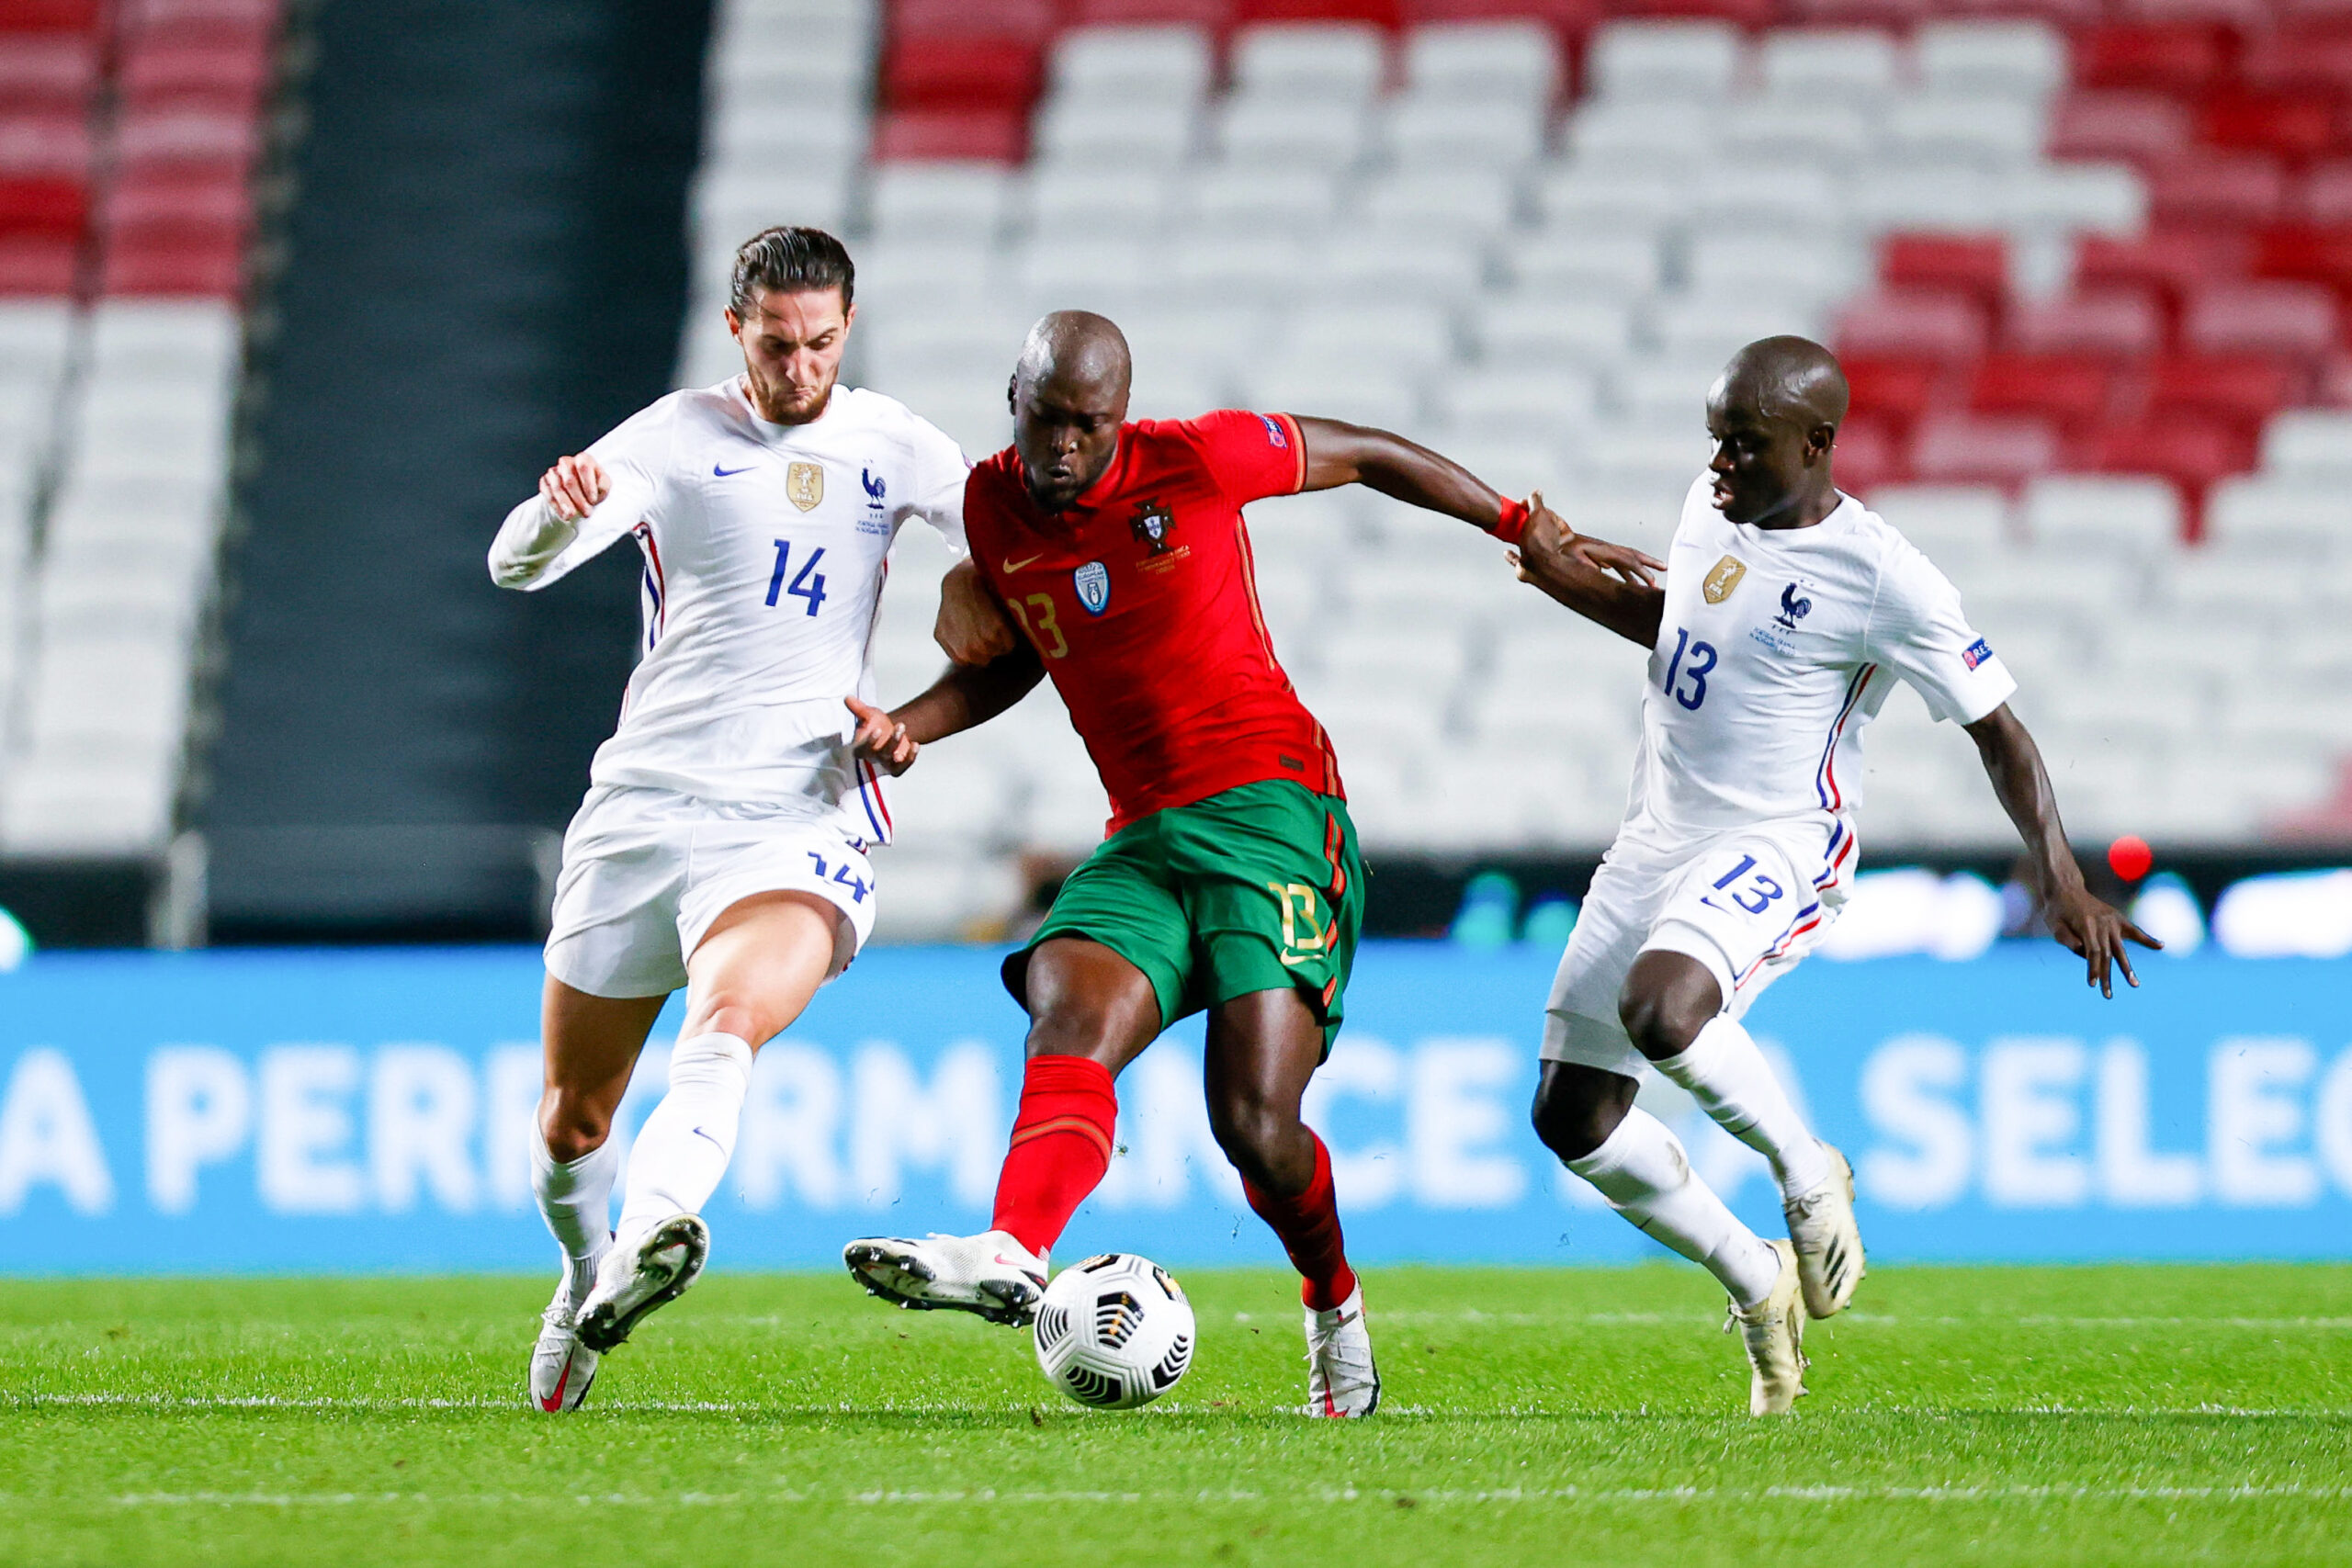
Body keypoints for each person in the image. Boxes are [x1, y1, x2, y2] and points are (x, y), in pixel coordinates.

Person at [836, 310, 1657, 1417]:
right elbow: (1028, 653)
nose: (1067, 447)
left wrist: (1518, 521)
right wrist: (915, 724)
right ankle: (1013, 1249)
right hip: (1142, 832)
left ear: (1121, 417)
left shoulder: (1196, 459)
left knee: (1253, 1127)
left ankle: (1332, 1305)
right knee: (1067, 1006)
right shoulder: (991, 504)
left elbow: (1367, 451)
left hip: (1273, 809)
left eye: (1091, 425)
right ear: (1013, 403)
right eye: (1048, 422)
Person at [1508, 335, 2158, 1416]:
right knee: (1570, 1117)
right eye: (1714, 440)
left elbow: (2002, 734)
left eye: (1745, 446)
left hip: (1779, 838)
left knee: (1663, 1009)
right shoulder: (1710, 508)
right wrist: (1566, 578)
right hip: (1656, 835)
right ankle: (1755, 1279)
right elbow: (1686, 631)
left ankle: (1810, 1172)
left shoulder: (1884, 576)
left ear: (1816, 444)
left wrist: (2061, 877)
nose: (1720, 465)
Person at [487, 225, 1008, 1413]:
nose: (800, 366)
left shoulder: (896, 444)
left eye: (821, 341)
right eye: (778, 344)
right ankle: (584, 1273)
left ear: (847, 328)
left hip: (795, 804)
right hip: (646, 803)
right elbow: (513, 565)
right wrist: (558, 514)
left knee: (729, 1015)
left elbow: (1014, 552)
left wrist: (966, 586)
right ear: (739, 331)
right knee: (575, 1114)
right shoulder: (676, 435)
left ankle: (657, 1229)